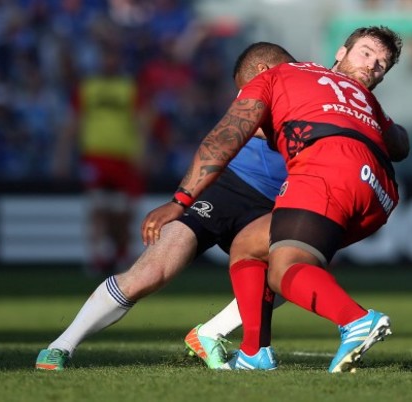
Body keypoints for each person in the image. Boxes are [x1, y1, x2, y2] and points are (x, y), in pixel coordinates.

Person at [142, 26, 408, 373]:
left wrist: (180, 200)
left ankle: (356, 319)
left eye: (381, 65)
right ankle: (254, 352)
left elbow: (224, 138)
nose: (373, 66)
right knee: (249, 245)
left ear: (256, 72)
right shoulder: (364, 99)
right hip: (379, 193)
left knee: (286, 271)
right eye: (367, 54)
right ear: (341, 53)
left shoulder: (275, 76)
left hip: (328, 168)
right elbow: (401, 146)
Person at [34, 42, 294, 371]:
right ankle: (62, 345)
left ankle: (210, 333)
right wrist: (179, 202)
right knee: (150, 272)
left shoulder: (312, 90)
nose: (245, 98)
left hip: (276, 202)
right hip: (225, 191)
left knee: (290, 272)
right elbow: (221, 142)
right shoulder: (273, 95)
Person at [74, 47, 147, 275]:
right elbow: (75, 121)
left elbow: (141, 121)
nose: (109, 61)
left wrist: (142, 151)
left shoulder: (129, 88)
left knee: (124, 211)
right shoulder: (88, 87)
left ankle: (121, 253)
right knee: (97, 208)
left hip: (123, 158)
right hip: (95, 156)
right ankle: (96, 257)